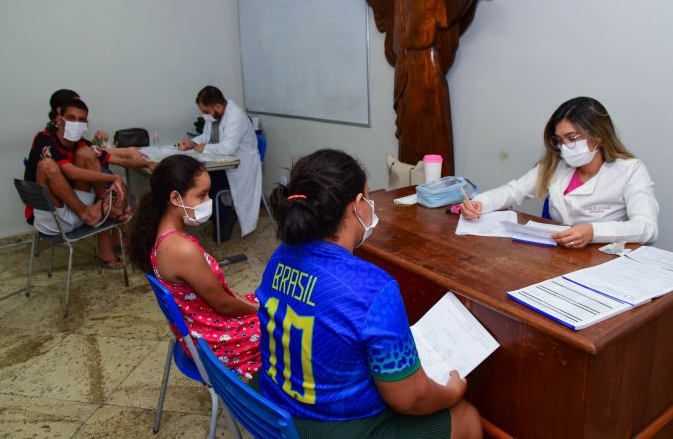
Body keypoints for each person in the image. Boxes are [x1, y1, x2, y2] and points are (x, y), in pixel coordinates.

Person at [255, 149, 482, 438]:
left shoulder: (281, 255)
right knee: (467, 418)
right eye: (369, 197)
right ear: (357, 205)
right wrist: (452, 392)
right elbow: (410, 399)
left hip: (277, 408)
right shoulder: (372, 288)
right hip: (332, 427)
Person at [343, 0, 500, 177]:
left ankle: (437, 188)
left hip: (428, 68)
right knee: (409, 134)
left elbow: (452, 5)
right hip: (406, 68)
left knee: (433, 128)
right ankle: (408, 188)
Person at [461, 97, 659, 247]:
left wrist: (593, 231)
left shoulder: (630, 170)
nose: (564, 147)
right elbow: (513, 191)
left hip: (603, 257)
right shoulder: (557, 165)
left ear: (598, 136)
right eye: (559, 140)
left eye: (572, 138)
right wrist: (481, 203)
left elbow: (647, 227)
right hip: (557, 254)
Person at [129, 154, 261, 378]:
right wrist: (264, 313)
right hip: (214, 342)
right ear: (174, 197)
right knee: (289, 330)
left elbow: (223, 297)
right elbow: (224, 305)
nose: (208, 201)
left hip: (199, 328)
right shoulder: (179, 249)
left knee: (265, 301)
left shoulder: (161, 234)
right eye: (201, 195)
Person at [24, 98, 152, 268]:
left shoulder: (82, 144)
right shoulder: (44, 139)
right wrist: (113, 178)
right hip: (55, 217)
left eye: (81, 120)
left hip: (77, 207)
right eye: (71, 118)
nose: (76, 123)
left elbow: (116, 159)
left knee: (87, 154)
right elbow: (70, 171)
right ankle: (97, 214)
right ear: (58, 119)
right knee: (47, 165)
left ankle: (106, 212)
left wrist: (149, 164)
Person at [178, 86, 262, 241]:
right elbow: (205, 137)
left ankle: (224, 217)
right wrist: (192, 143)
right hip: (223, 164)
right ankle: (222, 217)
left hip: (241, 167)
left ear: (217, 106)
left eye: (205, 111)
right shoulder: (215, 116)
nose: (204, 115)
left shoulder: (236, 116)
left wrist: (203, 148)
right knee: (199, 183)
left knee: (209, 187)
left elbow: (228, 148)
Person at [46, 89, 148, 162]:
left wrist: (97, 141)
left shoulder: (63, 129)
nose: (79, 107)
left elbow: (90, 149)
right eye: (75, 104)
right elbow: (88, 153)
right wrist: (126, 152)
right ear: (60, 111)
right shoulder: (52, 134)